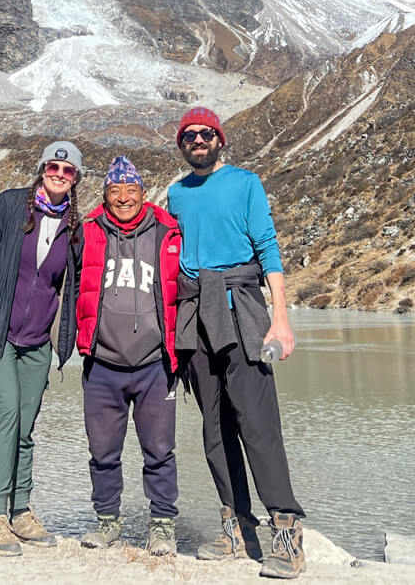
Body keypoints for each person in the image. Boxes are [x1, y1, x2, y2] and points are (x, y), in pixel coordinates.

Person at [166, 106, 307, 579]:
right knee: (214, 427)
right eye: (189, 136)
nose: (198, 141)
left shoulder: (246, 183)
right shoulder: (176, 194)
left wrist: (280, 320)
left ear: (220, 140)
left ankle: (286, 532)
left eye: (206, 134)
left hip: (242, 307)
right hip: (195, 313)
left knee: (257, 421)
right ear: (182, 145)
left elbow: (268, 248)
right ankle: (237, 527)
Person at [0, 141, 83, 557]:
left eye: (68, 170)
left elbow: (77, 283)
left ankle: (21, 510)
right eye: (54, 166)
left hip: (36, 343)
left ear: (76, 179)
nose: (59, 174)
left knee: (25, 426)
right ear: (42, 168)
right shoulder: (10, 206)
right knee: (5, 416)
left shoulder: (74, 225)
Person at [58, 155, 182, 556]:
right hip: (102, 364)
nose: (124, 198)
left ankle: (162, 524)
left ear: (144, 193)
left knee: (159, 450)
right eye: (115, 191)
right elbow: (63, 279)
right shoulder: (88, 230)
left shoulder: (168, 230)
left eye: (131, 190)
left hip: (154, 365)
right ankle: (107, 522)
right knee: (102, 451)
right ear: (105, 195)